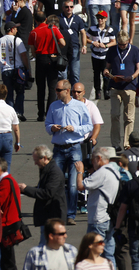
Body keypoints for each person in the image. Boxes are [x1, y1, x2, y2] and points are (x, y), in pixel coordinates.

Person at [46, 78, 92, 226]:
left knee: (73, 185)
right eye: (56, 90)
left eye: (59, 90)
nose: (56, 92)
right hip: (58, 149)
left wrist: (75, 129)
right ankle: (58, 213)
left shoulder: (79, 106)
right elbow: (47, 125)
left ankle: (71, 214)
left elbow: (88, 126)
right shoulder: (54, 106)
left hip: (74, 148)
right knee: (56, 183)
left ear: (67, 91)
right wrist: (52, 127)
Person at [19, 145, 68, 245]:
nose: (35, 163)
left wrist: (26, 188)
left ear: (45, 158)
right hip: (48, 214)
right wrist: (24, 190)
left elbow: (47, 193)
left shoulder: (54, 172)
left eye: (36, 160)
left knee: (46, 246)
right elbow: (40, 189)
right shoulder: (47, 169)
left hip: (53, 216)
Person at [104, 30, 139, 152]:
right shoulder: (112, 50)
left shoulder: (134, 50)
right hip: (115, 86)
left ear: (128, 41)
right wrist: (107, 72)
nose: (121, 46)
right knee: (115, 115)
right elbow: (107, 67)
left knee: (129, 117)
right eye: (119, 44)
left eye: (124, 44)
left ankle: (127, 144)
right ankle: (115, 143)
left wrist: (132, 77)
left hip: (129, 87)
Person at [29, 11, 66, 121]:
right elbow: (63, 43)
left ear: (36, 20)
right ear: (46, 19)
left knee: (40, 88)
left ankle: (41, 114)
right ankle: (49, 112)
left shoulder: (34, 32)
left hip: (40, 59)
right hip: (52, 57)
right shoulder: (53, 28)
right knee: (52, 87)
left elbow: (32, 49)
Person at [0, 157, 22, 270]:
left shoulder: (5, 182)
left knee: (7, 261)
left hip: (6, 225)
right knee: (7, 259)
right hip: (9, 223)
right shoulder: (8, 180)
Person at [0, 21, 31, 119]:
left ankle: (10, 114)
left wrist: (4, 61)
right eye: (15, 28)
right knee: (20, 92)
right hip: (18, 70)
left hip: (5, 70)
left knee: (8, 93)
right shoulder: (17, 40)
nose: (16, 30)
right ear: (11, 29)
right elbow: (24, 55)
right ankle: (19, 112)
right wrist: (27, 69)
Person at [86, 10, 116, 100]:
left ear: (106, 19)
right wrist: (92, 42)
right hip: (95, 55)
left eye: (102, 18)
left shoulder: (110, 30)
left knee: (106, 73)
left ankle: (106, 90)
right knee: (96, 73)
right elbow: (85, 38)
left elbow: (114, 42)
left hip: (105, 56)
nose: (100, 20)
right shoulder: (92, 28)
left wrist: (106, 45)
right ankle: (97, 91)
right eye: (98, 18)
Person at [59, 0, 88, 85]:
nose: (69, 9)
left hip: (74, 47)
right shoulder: (59, 18)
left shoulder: (78, 19)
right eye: (67, 7)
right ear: (63, 8)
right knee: (63, 74)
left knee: (75, 74)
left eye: (71, 7)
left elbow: (83, 33)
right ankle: (63, 93)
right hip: (62, 49)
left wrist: (84, 46)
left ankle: (74, 94)